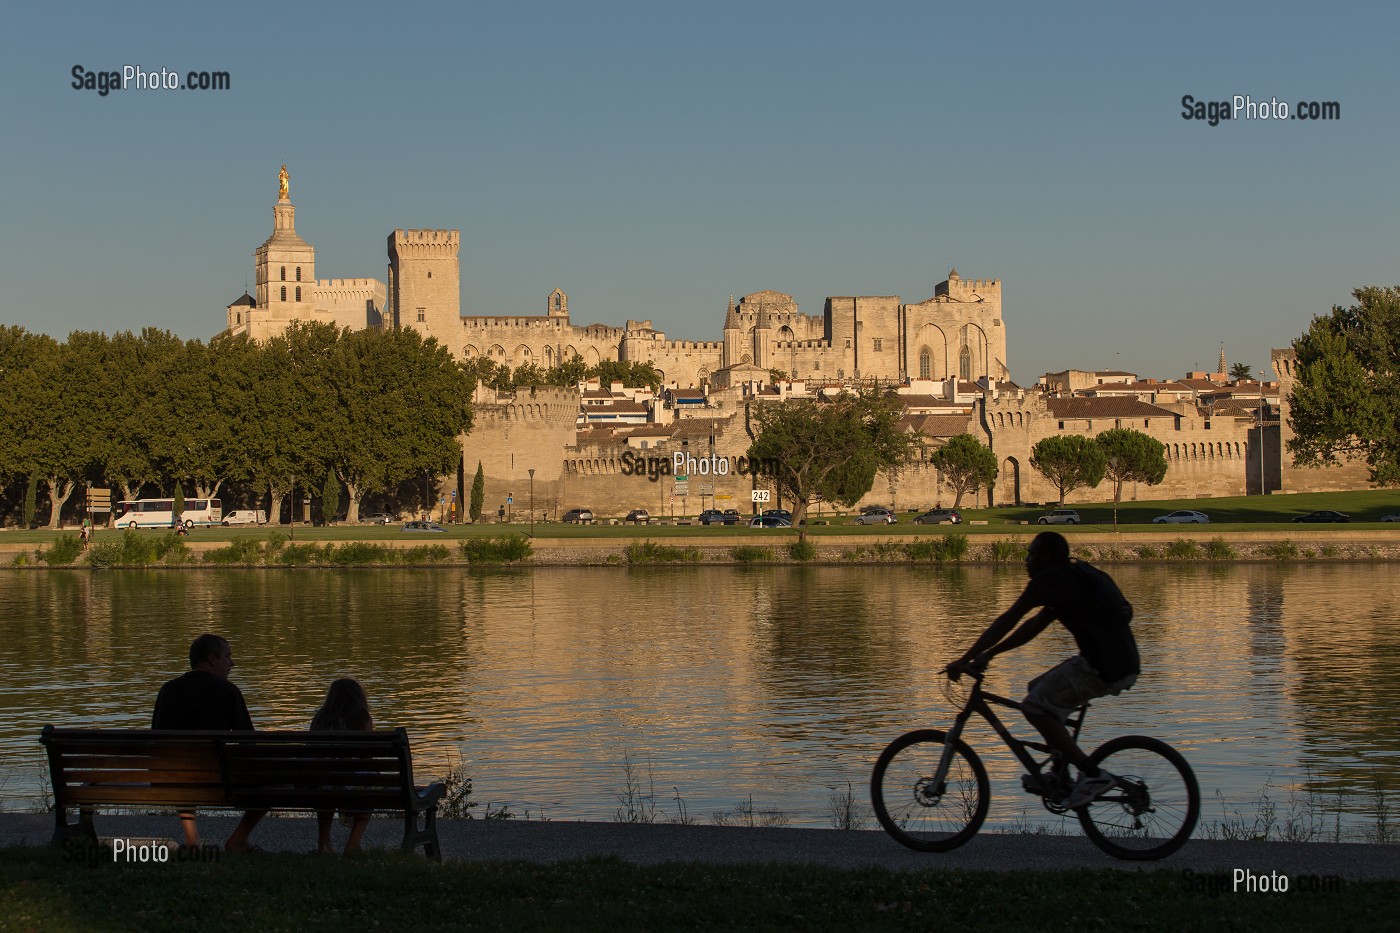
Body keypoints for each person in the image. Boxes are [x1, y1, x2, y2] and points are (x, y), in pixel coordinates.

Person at [945, 531, 1139, 809]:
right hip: (1119, 661)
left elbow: (1007, 620)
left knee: (1033, 707)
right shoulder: (1071, 577)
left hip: (1102, 667)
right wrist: (990, 654)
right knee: (1036, 689)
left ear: (1046, 557)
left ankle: (1094, 775)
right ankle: (1060, 774)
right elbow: (1032, 627)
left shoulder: (1049, 580)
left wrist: (964, 659)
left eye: (1031, 554)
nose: (1026, 560)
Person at [152, 634, 265, 852]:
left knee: (182, 765)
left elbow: (157, 741)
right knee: (276, 783)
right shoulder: (228, 691)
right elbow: (249, 744)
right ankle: (238, 839)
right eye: (228, 657)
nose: (232, 663)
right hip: (219, 781)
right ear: (212, 658)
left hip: (170, 778)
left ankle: (192, 839)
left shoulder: (168, 690)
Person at [310, 678, 375, 854]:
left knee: (326, 785)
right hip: (351, 784)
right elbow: (366, 758)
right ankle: (352, 844)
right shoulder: (362, 718)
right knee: (370, 787)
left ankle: (324, 843)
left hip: (320, 785)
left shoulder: (319, 720)